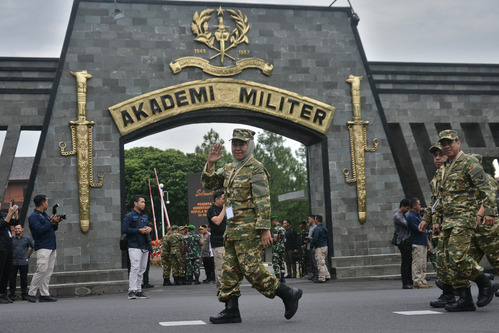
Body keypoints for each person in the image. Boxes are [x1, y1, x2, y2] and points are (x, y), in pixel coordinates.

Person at [201, 128, 302, 324]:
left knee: (252, 269)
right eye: (235, 144)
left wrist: (265, 228)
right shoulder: (230, 168)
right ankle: (231, 310)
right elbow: (209, 183)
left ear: (250, 146)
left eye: (242, 144)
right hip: (232, 230)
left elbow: (262, 200)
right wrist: (211, 163)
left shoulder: (256, 169)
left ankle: (288, 293)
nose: (237, 148)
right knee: (229, 270)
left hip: (249, 230)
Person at [419, 130, 498, 312]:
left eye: (449, 143)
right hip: (449, 220)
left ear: (458, 143)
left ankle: (485, 282)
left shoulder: (468, 162)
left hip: (464, 218)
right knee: (447, 260)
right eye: (443, 144)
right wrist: (429, 218)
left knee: (458, 256)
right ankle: (465, 298)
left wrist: (490, 212)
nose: (446, 147)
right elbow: (440, 199)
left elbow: (487, 188)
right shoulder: (447, 168)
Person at [27, 194, 63, 303]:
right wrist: (50, 222)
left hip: (51, 245)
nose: (47, 204)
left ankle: (44, 293)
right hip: (42, 246)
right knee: (41, 269)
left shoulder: (45, 215)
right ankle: (31, 293)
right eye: (47, 202)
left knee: (48, 271)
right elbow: (39, 230)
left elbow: (52, 229)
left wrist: (56, 222)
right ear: (42, 203)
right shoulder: (33, 216)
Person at [122, 195, 152, 300]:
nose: (143, 204)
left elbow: (148, 226)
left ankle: (139, 290)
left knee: (142, 269)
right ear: (135, 203)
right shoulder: (129, 216)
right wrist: (139, 231)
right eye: (141, 202)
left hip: (144, 245)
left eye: (144, 202)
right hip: (134, 245)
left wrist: (149, 229)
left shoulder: (144, 217)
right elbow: (125, 230)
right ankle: (132, 290)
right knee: (135, 267)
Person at [406, 197, 431, 289]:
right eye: (418, 204)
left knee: (423, 263)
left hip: (422, 241)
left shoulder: (417, 215)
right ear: (414, 206)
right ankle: (417, 281)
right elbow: (419, 229)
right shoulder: (411, 217)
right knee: (417, 262)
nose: (420, 206)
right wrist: (425, 225)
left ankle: (423, 280)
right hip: (417, 242)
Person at [207, 190, 226, 291]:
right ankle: (221, 289)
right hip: (218, 243)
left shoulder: (227, 209)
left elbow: (232, 221)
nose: (225, 201)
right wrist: (224, 209)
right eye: (223, 199)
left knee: (229, 267)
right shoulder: (211, 210)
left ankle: (229, 287)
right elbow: (217, 221)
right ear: (216, 199)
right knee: (220, 266)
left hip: (228, 241)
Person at [9, 224, 34, 301]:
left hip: (23, 261)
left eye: (19, 229)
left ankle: (24, 294)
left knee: (24, 279)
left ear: (22, 229)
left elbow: (33, 247)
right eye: (16, 229)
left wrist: (28, 256)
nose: (17, 230)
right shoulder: (11, 239)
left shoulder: (27, 238)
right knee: (12, 279)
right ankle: (12, 295)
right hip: (13, 262)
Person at [0, 202, 18, 304]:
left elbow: (15, 222)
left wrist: (15, 213)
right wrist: (9, 214)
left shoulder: (3, 215)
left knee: (7, 271)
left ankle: (3, 294)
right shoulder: (5, 216)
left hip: (8, 246)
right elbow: (2, 225)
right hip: (1, 247)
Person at [393, 198, 412, 289]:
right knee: (405, 263)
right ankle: (405, 282)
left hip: (407, 241)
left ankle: (409, 281)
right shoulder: (398, 216)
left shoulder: (404, 215)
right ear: (402, 206)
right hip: (402, 241)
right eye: (407, 208)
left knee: (409, 262)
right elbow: (407, 224)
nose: (407, 210)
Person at [311, 215, 330, 283]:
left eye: (315, 219)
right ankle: (327, 275)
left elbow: (315, 239)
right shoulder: (324, 228)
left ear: (317, 220)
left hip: (319, 247)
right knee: (323, 262)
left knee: (319, 262)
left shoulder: (317, 229)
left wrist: (311, 245)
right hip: (325, 246)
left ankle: (321, 278)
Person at [271, 216, 286, 282]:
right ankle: (283, 276)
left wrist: (270, 239)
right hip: (282, 246)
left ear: (274, 221)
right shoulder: (283, 228)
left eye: (272, 222)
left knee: (275, 262)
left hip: (276, 247)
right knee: (281, 261)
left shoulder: (276, 229)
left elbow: (275, 239)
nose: (272, 223)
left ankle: (277, 277)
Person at [306, 215, 318, 280]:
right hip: (309, 245)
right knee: (311, 261)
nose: (308, 220)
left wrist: (310, 238)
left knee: (314, 261)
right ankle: (314, 274)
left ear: (313, 219)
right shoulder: (310, 227)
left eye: (309, 219)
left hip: (313, 246)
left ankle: (317, 274)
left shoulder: (315, 227)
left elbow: (314, 237)